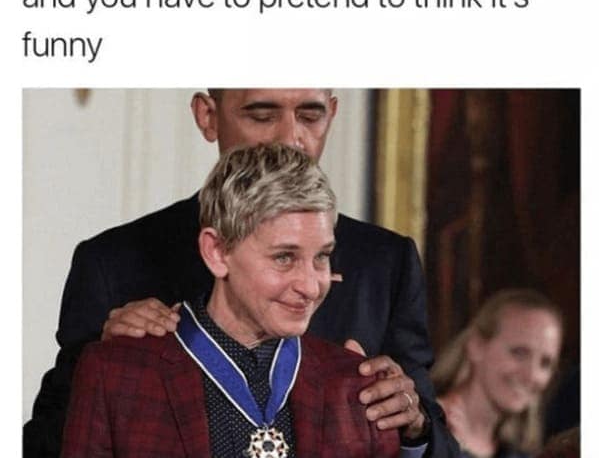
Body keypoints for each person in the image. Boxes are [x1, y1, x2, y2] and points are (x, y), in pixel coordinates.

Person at [25, 89, 458, 457]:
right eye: (262, 115)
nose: (290, 138)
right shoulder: (113, 263)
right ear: (207, 116)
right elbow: (47, 442)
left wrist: (413, 427)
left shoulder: (385, 261)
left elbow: (434, 438)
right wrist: (104, 366)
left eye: (310, 115)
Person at [61, 144, 402, 457]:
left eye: (322, 257)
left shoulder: (359, 387)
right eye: (284, 258)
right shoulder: (117, 374)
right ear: (217, 251)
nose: (311, 287)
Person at [431, 289, 563, 458]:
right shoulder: (423, 428)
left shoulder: (519, 452)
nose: (531, 375)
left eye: (545, 363)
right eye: (519, 353)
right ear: (476, 346)